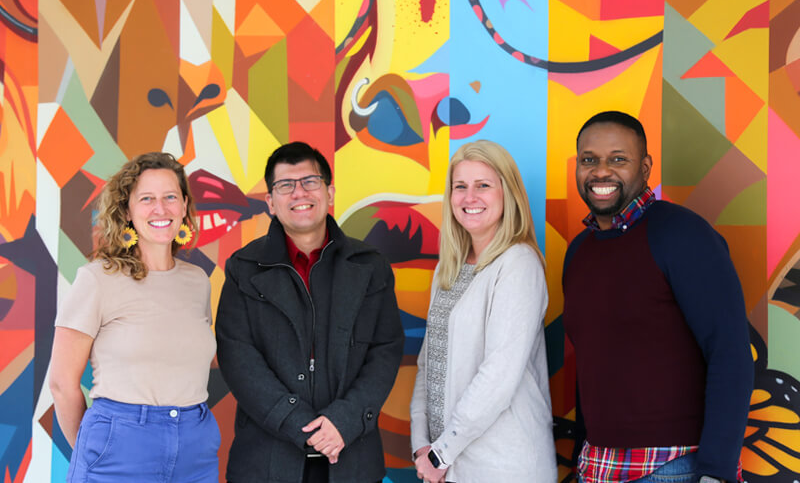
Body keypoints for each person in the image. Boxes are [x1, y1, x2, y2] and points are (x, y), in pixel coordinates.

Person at [563, 111, 753, 483]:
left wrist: (716, 471)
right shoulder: (579, 251)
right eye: (589, 160)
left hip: (675, 467)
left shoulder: (683, 235)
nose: (601, 172)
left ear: (645, 167)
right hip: (597, 465)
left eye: (618, 159)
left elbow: (730, 353)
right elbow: (592, 363)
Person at [215, 141, 405, 483]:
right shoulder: (244, 268)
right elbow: (238, 358)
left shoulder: (369, 267)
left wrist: (343, 421)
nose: (299, 192)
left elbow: (385, 351)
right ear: (270, 202)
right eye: (286, 185)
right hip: (266, 463)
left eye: (310, 182)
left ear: (329, 193)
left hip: (352, 458)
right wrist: (298, 423)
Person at [49, 152, 219, 482]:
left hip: (195, 448)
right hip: (120, 446)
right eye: (147, 199)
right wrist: (95, 450)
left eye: (170, 197)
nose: (161, 209)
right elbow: (61, 384)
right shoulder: (97, 279)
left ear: (184, 205)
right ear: (127, 211)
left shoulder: (197, 280)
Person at [410, 140, 557, 482]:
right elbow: (428, 363)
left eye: (483, 186)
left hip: (503, 466)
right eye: (460, 186)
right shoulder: (448, 268)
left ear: (508, 194)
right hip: (446, 465)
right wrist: (422, 444)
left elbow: (498, 376)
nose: (469, 197)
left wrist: (441, 453)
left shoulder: (518, 263)